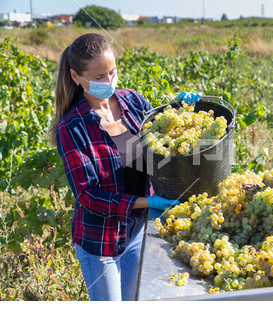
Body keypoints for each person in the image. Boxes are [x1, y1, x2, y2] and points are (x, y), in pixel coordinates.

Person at [49, 33, 202, 301]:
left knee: (134, 303)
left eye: (112, 72)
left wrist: (180, 110)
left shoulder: (132, 101)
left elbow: (161, 141)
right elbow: (88, 196)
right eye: (98, 77)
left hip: (138, 232)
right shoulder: (72, 127)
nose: (109, 82)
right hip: (101, 242)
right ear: (76, 77)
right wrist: (147, 202)